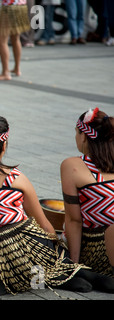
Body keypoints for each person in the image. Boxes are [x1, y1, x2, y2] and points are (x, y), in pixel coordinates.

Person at [0, 105, 114, 294]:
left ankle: (1, 281)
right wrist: (61, 254)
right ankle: (67, 274)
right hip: (28, 243)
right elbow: (44, 225)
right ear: (3, 146)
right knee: (45, 257)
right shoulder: (16, 177)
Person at [60, 108, 114, 278]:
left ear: (84, 135)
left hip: (97, 249)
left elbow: (74, 220)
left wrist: (74, 265)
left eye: (77, 133)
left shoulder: (72, 166)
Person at [0, 0, 30, 80]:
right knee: (15, 38)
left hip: (8, 7)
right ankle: (17, 68)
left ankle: (5, 73)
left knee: (2, 40)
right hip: (20, 6)